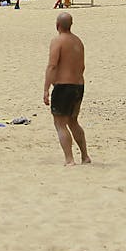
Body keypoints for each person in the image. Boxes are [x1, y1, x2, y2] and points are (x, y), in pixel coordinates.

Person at [43, 12, 89, 165]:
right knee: (73, 121)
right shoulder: (78, 41)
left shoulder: (58, 41)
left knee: (60, 123)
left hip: (64, 86)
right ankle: (85, 156)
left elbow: (52, 65)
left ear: (57, 25)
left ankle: (69, 159)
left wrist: (46, 89)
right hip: (78, 85)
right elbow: (82, 66)